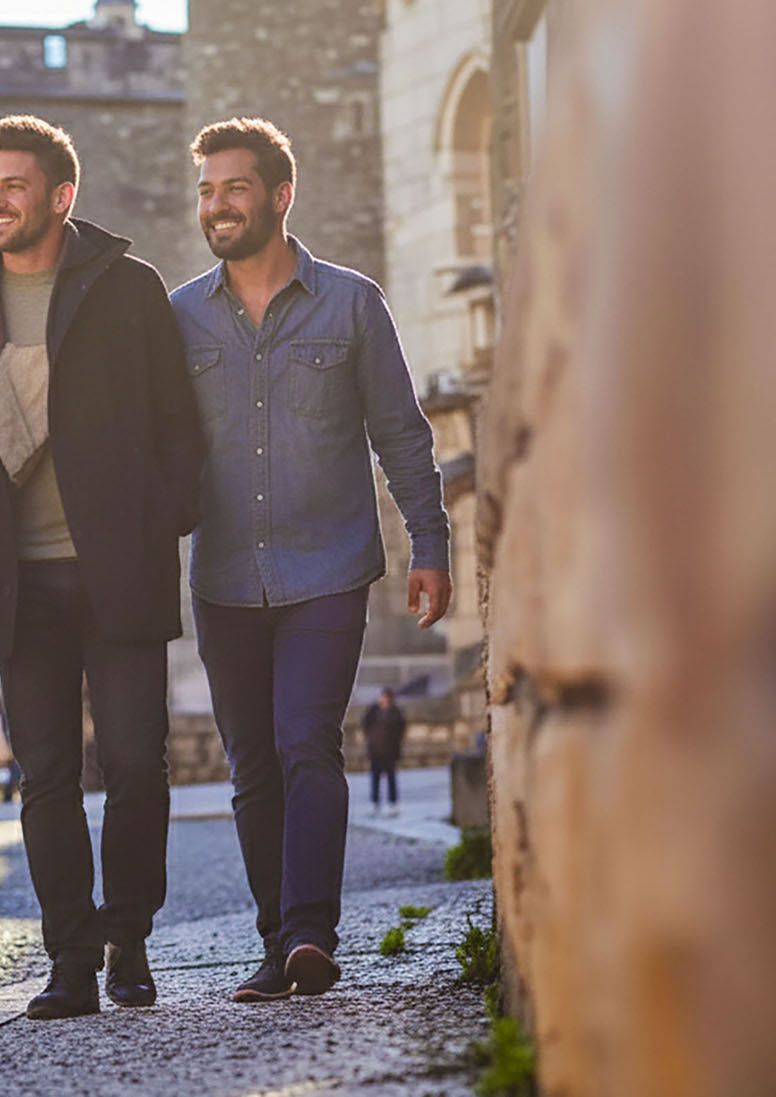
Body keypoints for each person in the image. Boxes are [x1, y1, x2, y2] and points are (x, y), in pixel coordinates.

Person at [0, 115, 204, 1020]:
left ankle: (129, 936)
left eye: (13, 185)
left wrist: (157, 522)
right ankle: (70, 957)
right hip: (18, 580)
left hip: (117, 568)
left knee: (135, 763)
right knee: (44, 773)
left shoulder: (127, 288)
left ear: (59, 195)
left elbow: (177, 429)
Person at [170, 118, 452, 1002]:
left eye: (235, 188)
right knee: (251, 763)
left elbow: (401, 433)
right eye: (208, 190)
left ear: (280, 195)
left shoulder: (353, 303)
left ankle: (310, 935)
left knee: (306, 742)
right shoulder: (177, 316)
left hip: (329, 567)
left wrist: (432, 541)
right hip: (222, 575)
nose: (217, 205)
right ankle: (272, 940)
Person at [362, 688, 408, 817]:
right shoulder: (373, 711)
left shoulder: (396, 713)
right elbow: (365, 726)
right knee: (375, 778)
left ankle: (392, 804)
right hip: (376, 751)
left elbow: (401, 729)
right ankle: (375, 803)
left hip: (390, 751)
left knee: (391, 778)